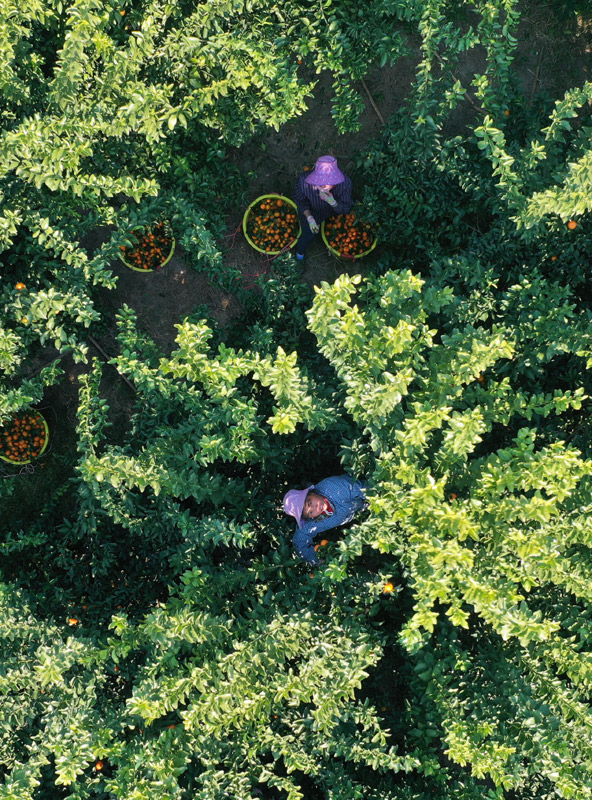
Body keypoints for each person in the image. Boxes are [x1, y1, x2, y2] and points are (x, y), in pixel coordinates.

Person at [283, 474, 367, 565]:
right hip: (358, 513)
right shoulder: (313, 521)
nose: (315, 508)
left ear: (311, 493)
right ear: (309, 518)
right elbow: (299, 542)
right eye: (310, 512)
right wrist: (318, 560)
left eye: (310, 503)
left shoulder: (337, 487)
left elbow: (367, 489)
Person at [293, 155, 353, 261]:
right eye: (319, 182)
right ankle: (299, 255)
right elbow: (300, 201)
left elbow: (346, 208)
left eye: (327, 182)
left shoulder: (345, 184)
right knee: (307, 235)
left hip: (334, 213)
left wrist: (334, 203)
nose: (323, 184)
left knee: (345, 234)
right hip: (314, 211)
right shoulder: (304, 181)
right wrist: (309, 217)